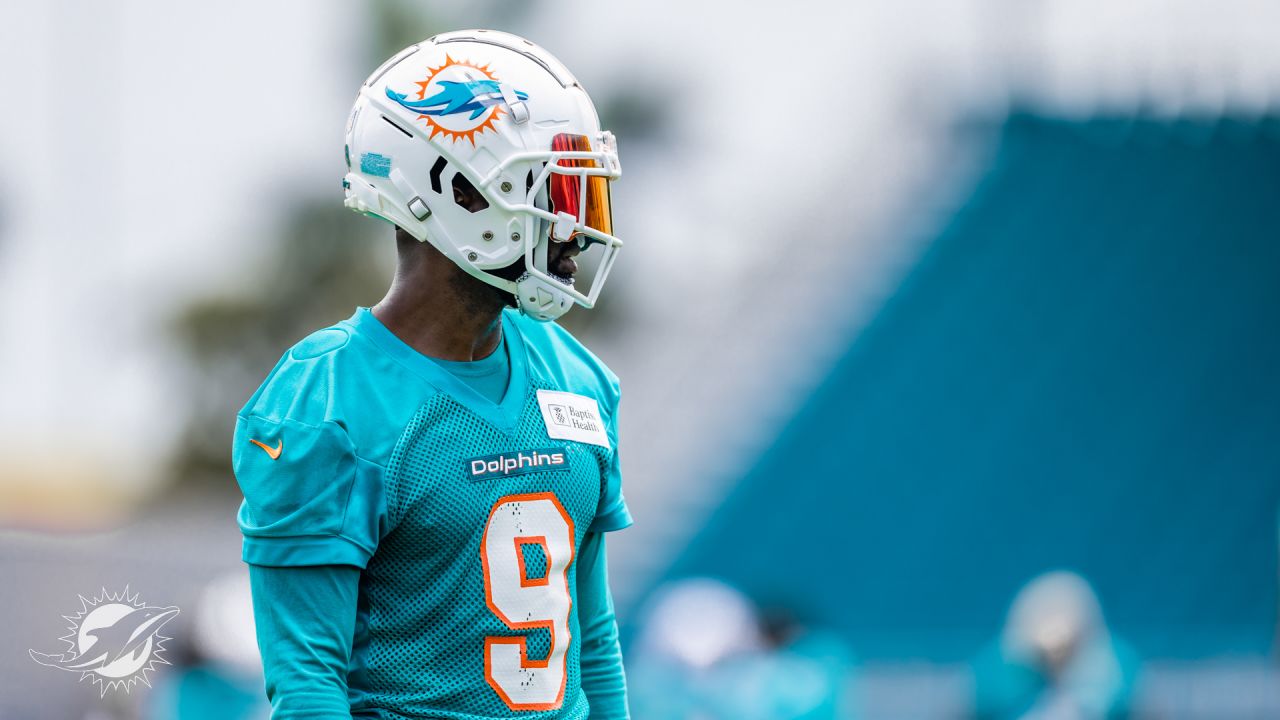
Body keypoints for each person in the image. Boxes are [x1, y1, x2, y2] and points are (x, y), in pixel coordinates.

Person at [231, 29, 630, 719]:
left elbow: (590, 642)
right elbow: (308, 688)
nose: (571, 227)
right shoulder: (322, 406)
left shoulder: (579, 378)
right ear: (461, 195)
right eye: (552, 190)